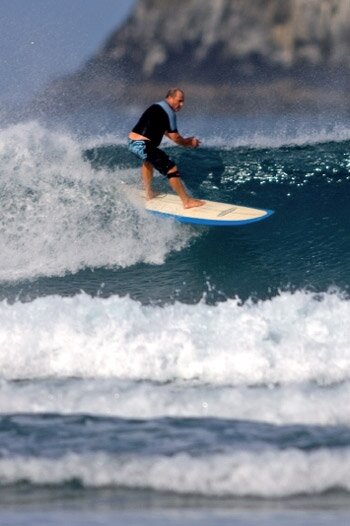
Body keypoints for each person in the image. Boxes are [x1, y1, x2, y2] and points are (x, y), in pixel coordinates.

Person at [128, 88, 204, 209]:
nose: (181, 105)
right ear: (170, 97)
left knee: (148, 161)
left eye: (183, 102)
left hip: (133, 142)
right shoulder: (169, 112)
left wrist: (186, 140)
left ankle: (148, 193)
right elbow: (175, 138)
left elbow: (163, 130)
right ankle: (186, 201)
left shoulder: (157, 107)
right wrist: (189, 142)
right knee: (170, 167)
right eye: (179, 101)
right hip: (142, 144)